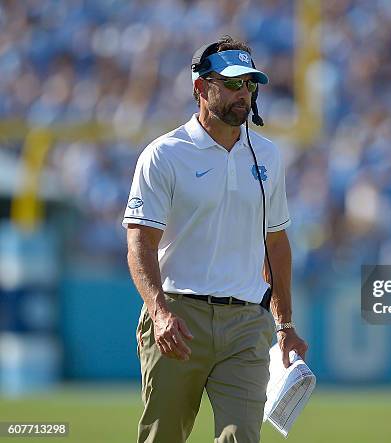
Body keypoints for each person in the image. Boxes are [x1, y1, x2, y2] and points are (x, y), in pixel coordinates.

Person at [123, 35, 308, 443]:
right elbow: (141, 242)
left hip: (246, 323)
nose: (243, 93)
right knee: (163, 436)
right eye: (231, 83)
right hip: (178, 317)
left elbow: (276, 244)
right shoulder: (165, 154)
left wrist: (286, 324)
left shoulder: (269, 156)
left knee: (242, 437)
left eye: (249, 84)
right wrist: (158, 311)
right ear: (200, 87)